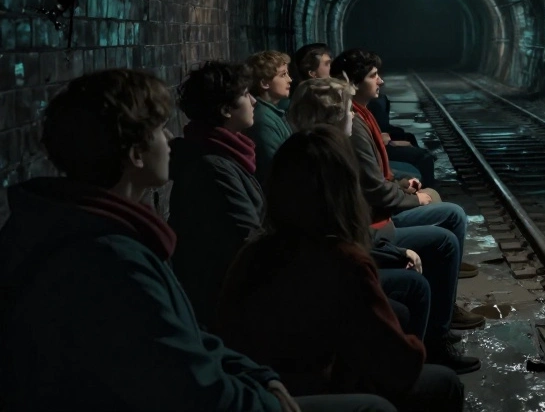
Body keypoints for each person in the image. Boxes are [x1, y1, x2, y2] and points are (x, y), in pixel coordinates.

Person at [0, 69, 394, 412]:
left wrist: (257, 375)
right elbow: (188, 385)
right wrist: (265, 398)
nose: (169, 137)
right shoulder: (109, 258)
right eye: (158, 129)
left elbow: (184, 335)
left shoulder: (94, 230)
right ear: (136, 154)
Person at [217, 126, 467, 412]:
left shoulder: (253, 253)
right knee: (444, 383)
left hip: (252, 386)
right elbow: (401, 367)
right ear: (345, 191)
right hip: (306, 387)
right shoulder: (342, 260)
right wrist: (415, 347)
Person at [287, 77, 480, 372]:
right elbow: (342, 233)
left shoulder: (315, 152)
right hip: (355, 250)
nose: (353, 115)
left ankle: (431, 341)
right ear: (333, 117)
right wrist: (395, 253)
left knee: (444, 231)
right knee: (430, 260)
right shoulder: (325, 162)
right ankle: (426, 355)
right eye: (347, 111)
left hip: (361, 242)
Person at [168, 60, 264, 327]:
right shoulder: (214, 167)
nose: (254, 101)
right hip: (230, 304)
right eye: (245, 94)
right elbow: (247, 240)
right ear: (225, 109)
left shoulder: (221, 155)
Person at [244, 49, 293, 185]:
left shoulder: (272, 113)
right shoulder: (263, 120)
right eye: (283, 75)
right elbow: (275, 167)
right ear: (265, 83)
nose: (290, 79)